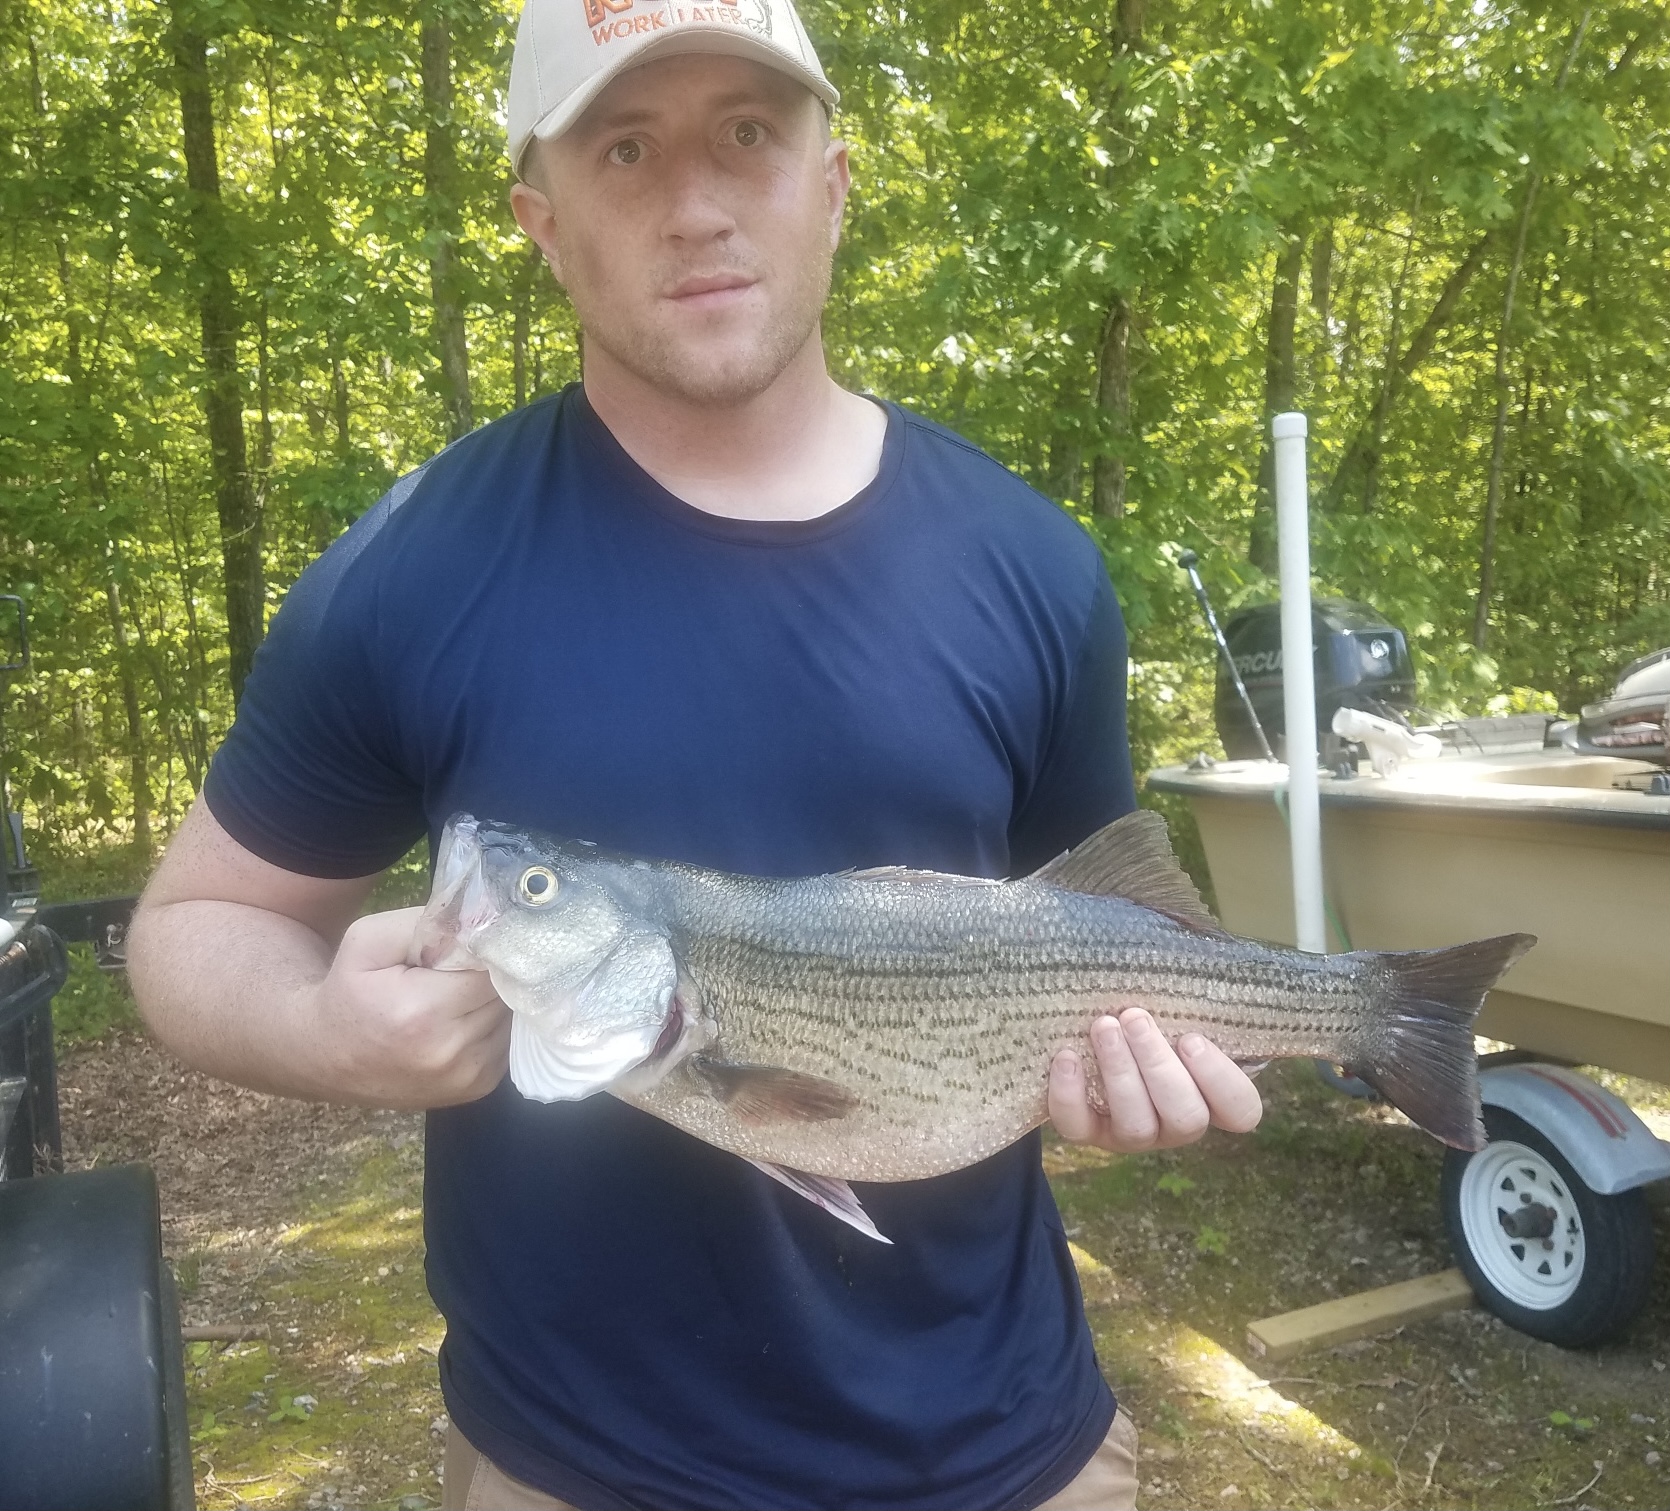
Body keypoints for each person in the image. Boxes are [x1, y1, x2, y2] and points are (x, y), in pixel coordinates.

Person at [127, 1, 1262, 1506]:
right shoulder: (411, 568)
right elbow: (195, 928)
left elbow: (1110, 932)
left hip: (1007, 1449)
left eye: (748, 130)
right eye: (625, 147)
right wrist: (321, 1035)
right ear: (542, 220)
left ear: (834, 179)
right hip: (573, 1465)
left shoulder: (1031, 566)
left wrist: (1147, 1071)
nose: (700, 202)